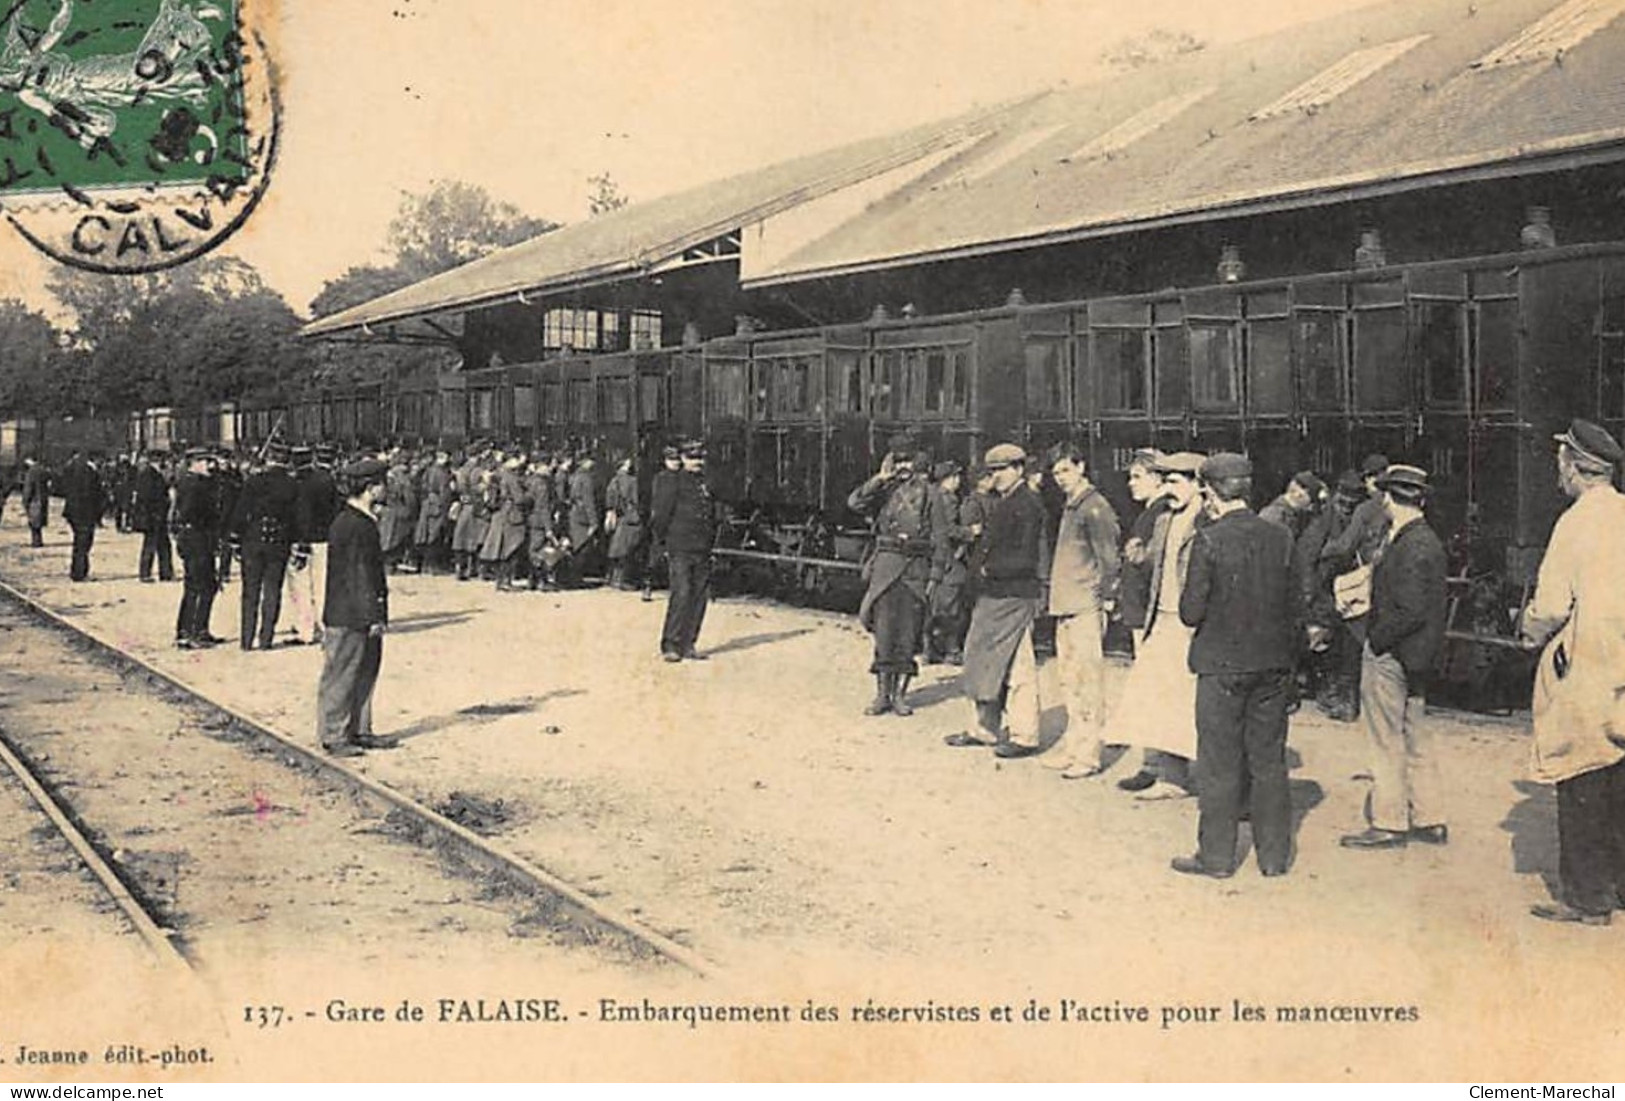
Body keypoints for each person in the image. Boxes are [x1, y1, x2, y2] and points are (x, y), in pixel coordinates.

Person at [1171, 453, 1300, 878]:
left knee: (1220, 762)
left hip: (1221, 666)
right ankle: (1274, 859)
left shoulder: (1208, 539)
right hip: (1273, 666)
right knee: (1268, 761)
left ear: (1209, 492)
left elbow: (1190, 612)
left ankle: (1218, 858)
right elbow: (1295, 606)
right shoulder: (1280, 536)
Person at [1519, 420, 1625, 925]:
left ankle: (1587, 899)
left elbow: (1553, 604)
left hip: (1587, 663)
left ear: (1575, 467)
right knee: (1621, 773)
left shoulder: (1575, 523)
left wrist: (1529, 629)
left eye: (1560, 461)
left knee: (1580, 771)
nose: (1556, 470)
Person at [1339, 465, 1449, 850]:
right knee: (1417, 735)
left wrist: (1375, 641)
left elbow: (1409, 609)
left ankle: (1389, 821)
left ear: (1387, 498)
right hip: (1419, 655)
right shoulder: (1424, 538)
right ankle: (1430, 817)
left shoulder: (1409, 543)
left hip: (1393, 653)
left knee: (1384, 738)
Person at [1110, 452, 1208, 799]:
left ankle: (1206, 778)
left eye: (1175, 481)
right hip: (1162, 620)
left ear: (1199, 484)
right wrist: (1138, 553)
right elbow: (1151, 562)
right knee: (1159, 699)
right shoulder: (1165, 520)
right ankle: (1171, 777)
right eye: (1164, 481)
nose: (1168, 489)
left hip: (1193, 625)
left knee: (1191, 702)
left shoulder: (1207, 522)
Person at [943, 443, 1049, 758]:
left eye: (1002, 469)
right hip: (995, 594)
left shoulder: (1027, 504)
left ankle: (1025, 735)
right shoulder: (1006, 501)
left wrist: (988, 569)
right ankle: (985, 729)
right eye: (993, 471)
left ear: (1019, 469)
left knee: (1018, 666)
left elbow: (1028, 556)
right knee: (985, 661)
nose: (996, 476)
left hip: (1013, 594)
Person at [1039, 443, 1122, 777]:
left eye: (1066, 470)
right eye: (1056, 472)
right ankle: (1074, 750)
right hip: (1068, 606)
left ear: (1081, 467)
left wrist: (1104, 598)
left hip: (1085, 606)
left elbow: (1109, 559)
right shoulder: (1073, 505)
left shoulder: (1094, 507)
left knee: (1087, 683)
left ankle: (1088, 756)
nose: (1060, 478)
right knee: (1070, 681)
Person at [847, 436, 941, 716]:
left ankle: (900, 695)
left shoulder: (930, 493)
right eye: (897, 460)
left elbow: (940, 537)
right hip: (886, 568)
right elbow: (854, 503)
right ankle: (881, 695)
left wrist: (935, 576)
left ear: (917, 462)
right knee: (884, 633)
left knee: (909, 634)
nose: (903, 466)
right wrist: (880, 478)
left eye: (907, 460)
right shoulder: (882, 491)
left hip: (915, 569)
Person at [317, 458, 397, 758]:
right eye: (381, 484)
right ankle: (334, 736)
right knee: (342, 673)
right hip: (350, 614)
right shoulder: (352, 524)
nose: (384, 488)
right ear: (369, 487)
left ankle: (360, 730)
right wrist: (373, 615)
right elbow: (357, 575)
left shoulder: (358, 520)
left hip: (358, 611)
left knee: (365, 671)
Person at [231, 441, 305, 651]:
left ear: (269, 458)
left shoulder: (254, 481)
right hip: (279, 542)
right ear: (286, 461)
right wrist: (295, 542)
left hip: (253, 540)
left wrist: (236, 539)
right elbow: (297, 518)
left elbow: (241, 511)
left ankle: (246, 639)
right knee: (273, 590)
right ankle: (266, 639)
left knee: (250, 591)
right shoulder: (292, 484)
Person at [650, 439, 715, 662]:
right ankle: (671, 644)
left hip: (701, 548)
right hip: (680, 546)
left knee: (699, 596)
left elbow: (710, 515)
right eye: (693, 458)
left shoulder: (703, 483)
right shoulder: (673, 482)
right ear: (684, 459)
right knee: (682, 593)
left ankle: (689, 644)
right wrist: (662, 543)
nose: (698, 462)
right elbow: (661, 515)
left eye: (700, 458)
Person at [286, 446, 339, 647]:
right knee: (322, 585)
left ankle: (306, 630)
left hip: (302, 541)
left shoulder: (299, 483)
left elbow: (300, 516)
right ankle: (325, 627)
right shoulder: (328, 481)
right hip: (325, 540)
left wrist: (301, 540)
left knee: (300, 587)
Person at [172, 448, 221, 649]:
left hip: (193, 538)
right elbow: (192, 513)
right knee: (202, 585)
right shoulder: (196, 485)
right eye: (204, 461)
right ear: (193, 463)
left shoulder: (188, 481)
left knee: (198, 585)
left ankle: (192, 629)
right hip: (198, 538)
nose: (209, 465)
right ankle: (193, 631)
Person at [923, 460, 970, 665]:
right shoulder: (948, 499)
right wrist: (970, 532)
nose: (959, 481)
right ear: (948, 479)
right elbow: (949, 530)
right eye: (956, 477)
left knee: (933, 605)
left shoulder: (930, 495)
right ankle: (951, 650)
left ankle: (929, 650)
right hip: (950, 558)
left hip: (933, 557)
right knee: (951, 606)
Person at [57, 450, 102, 582]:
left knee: (79, 542)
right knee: (84, 542)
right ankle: (79, 572)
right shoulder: (89, 472)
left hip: (73, 511)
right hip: (85, 513)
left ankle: (78, 571)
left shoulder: (73, 469)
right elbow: (92, 494)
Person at [131, 450, 175, 583]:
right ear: (158, 460)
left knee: (163, 545)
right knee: (151, 545)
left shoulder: (153, 473)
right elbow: (147, 497)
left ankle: (165, 573)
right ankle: (146, 573)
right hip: (153, 516)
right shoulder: (149, 474)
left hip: (156, 516)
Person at [603, 456, 644, 591]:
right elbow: (635, 499)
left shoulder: (613, 481)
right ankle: (624, 580)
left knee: (617, 548)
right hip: (631, 517)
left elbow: (610, 499)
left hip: (619, 517)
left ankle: (613, 578)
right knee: (629, 548)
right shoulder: (632, 481)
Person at [414, 450, 453, 575]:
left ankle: (425, 565)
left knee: (426, 535)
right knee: (435, 536)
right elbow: (444, 492)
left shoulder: (429, 470)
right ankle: (432, 566)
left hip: (428, 503)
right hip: (438, 505)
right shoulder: (442, 473)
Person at [1259, 470, 1324, 543]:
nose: (1311, 507)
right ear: (1300, 494)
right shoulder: (1275, 516)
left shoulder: (1281, 514)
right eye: (1311, 500)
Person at [21, 456, 48, 548]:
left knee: (33, 522)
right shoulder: (42, 470)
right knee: (38, 522)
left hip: (34, 500)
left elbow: (28, 487)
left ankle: (36, 542)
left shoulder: (31, 472)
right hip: (42, 499)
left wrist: (25, 500)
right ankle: (39, 540)